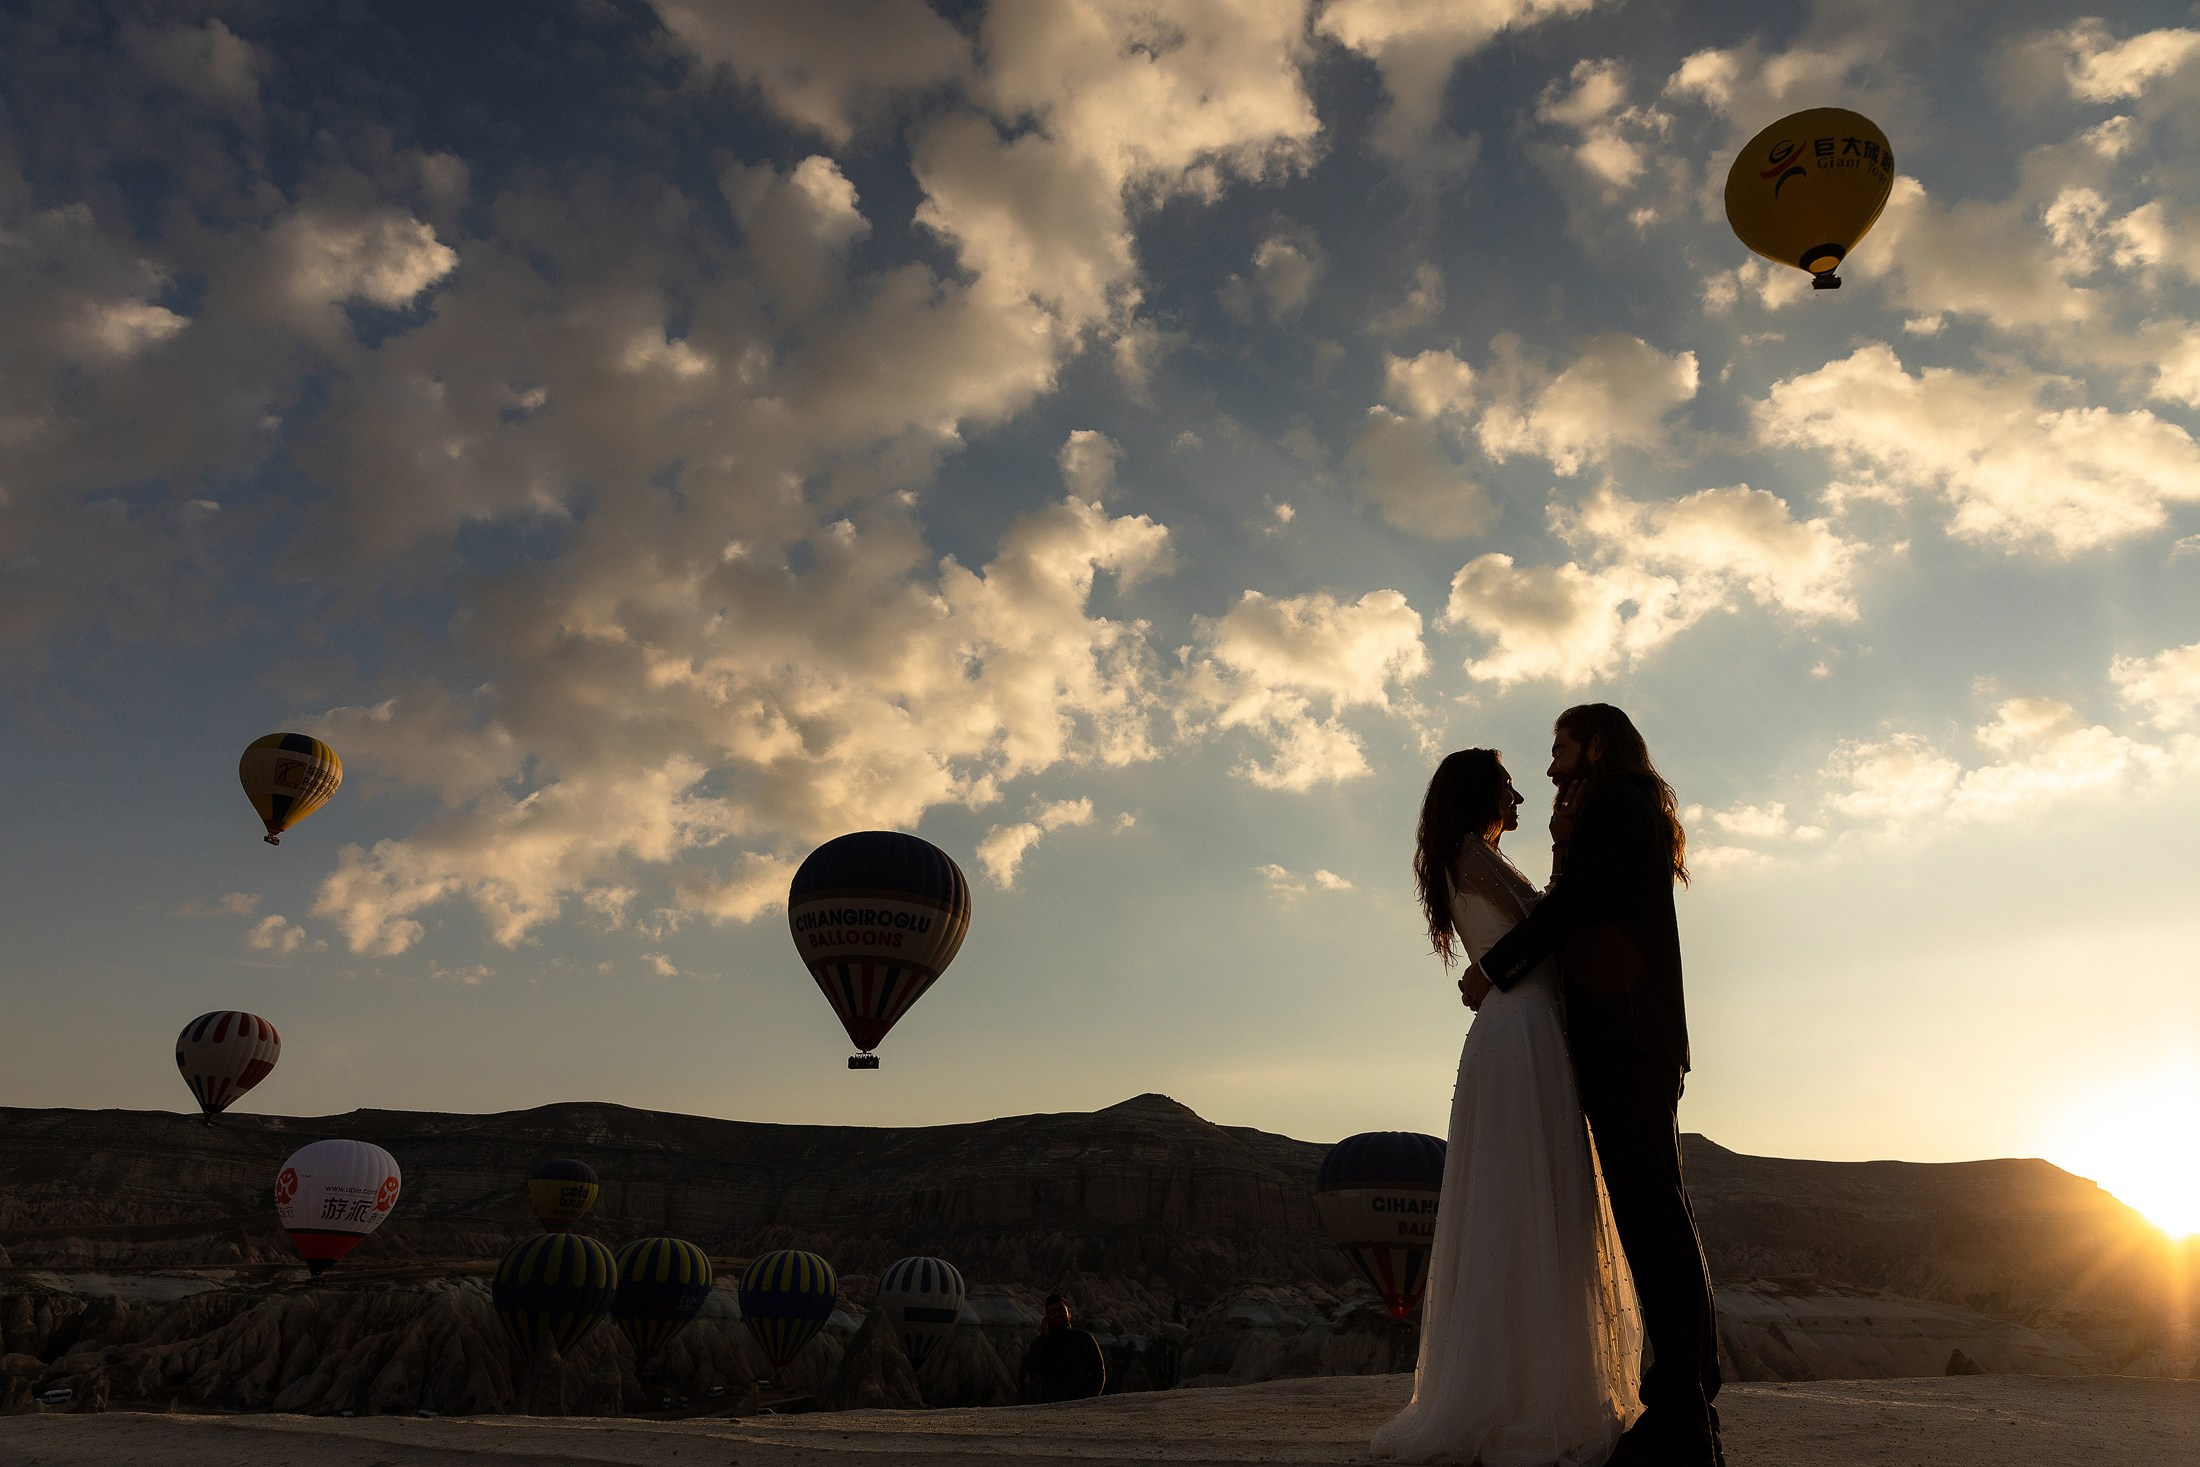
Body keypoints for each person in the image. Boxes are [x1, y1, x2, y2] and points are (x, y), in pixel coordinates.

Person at [1372, 747, 1642, 1467]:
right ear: (1480, 794)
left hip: (1524, 1023)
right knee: (1525, 1195)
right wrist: (1565, 846)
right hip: (1520, 1028)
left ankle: (1525, 1385)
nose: (1519, 798)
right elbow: (1540, 923)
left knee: (1530, 1196)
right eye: (1508, 787)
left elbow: (1536, 923)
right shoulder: (1472, 853)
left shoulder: (1472, 856)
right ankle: (1523, 1397)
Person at [1472, 706, 1723, 1467]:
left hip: (1626, 1037)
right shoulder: (1622, 805)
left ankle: (1681, 1411)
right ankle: (1687, 1401)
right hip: (1635, 1039)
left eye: (1560, 749)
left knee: (1652, 1216)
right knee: (1658, 1213)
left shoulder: (1615, 802)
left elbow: (1575, 904)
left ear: (1597, 745)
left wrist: (1496, 968)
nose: (1550, 768)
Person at [1019, 1294, 1106, 1403]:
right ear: (1047, 1317)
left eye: (1061, 1310)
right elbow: (1030, 1367)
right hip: (1050, 1407)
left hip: (1079, 1405)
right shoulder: (1041, 1342)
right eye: (1052, 1312)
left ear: (1069, 1313)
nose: (1057, 1314)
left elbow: (1098, 1373)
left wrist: (1088, 1399)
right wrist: (1044, 1337)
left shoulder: (1084, 1339)